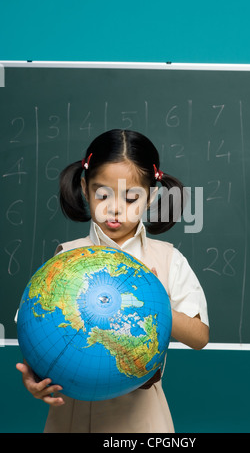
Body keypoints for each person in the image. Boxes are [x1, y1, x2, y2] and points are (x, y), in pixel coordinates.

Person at [16, 129, 209, 433]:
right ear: (84, 188)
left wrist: (155, 307)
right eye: (102, 194)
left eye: (131, 197)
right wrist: (32, 377)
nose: (115, 208)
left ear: (152, 197)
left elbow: (199, 336)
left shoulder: (168, 259)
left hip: (142, 416)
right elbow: (34, 330)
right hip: (71, 414)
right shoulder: (66, 258)